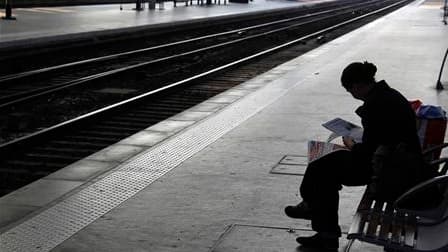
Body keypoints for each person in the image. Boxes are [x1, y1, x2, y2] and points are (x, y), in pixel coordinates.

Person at [285, 61, 431, 251]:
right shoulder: (388, 95)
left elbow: (367, 152)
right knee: (324, 163)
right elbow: (380, 138)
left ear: (357, 85)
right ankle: (315, 214)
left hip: (391, 171)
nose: (352, 94)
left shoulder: (375, 105)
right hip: (397, 161)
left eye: (349, 90)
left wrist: (351, 144)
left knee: (322, 165)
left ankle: (314, 212)